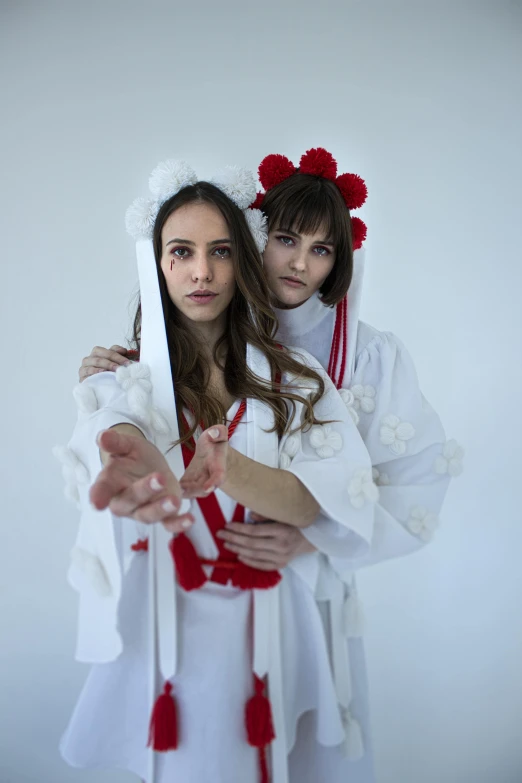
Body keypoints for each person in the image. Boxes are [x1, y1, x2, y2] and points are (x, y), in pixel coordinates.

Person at [73, 148, 463, 779]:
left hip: (300, 578)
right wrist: (116, 414)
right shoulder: (152, 364)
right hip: (195, 594)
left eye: (322, 249)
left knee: (300, 738)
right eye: (284, 239)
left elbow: (403, 476)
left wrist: (311, 533)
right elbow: (115, 417)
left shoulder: (355, 360)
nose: (299, 262)